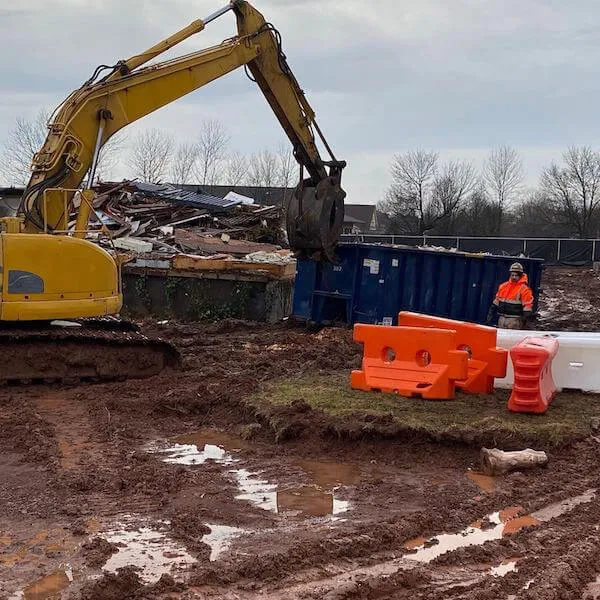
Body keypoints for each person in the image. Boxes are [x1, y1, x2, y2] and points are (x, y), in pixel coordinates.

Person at [486, 262, 534, 330]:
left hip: (515, 320)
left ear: (520, 276)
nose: (514, 277)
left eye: (516, 275)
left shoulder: (524, 289)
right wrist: (491, 313)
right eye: (512, 275)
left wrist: (527, 321)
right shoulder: (503, 286)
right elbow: (496, 301)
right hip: (502, 319)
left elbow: (527, 306)